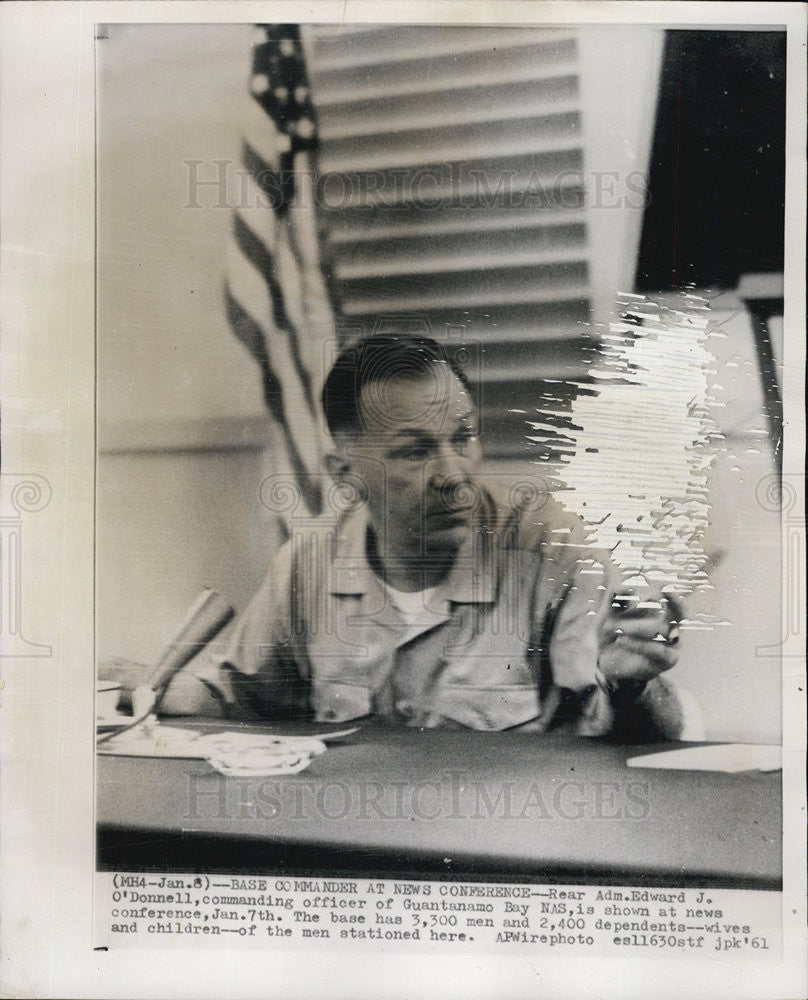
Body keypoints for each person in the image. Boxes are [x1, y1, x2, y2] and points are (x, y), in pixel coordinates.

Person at [121, 334, 696, 740]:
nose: (454, 473)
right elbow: (233, 699)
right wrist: (130, 687)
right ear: (346, 474)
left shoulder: (550, 546)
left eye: (463, 437)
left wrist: (634, 688)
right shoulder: (308, 564)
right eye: (415, 451)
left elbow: (650, 736)